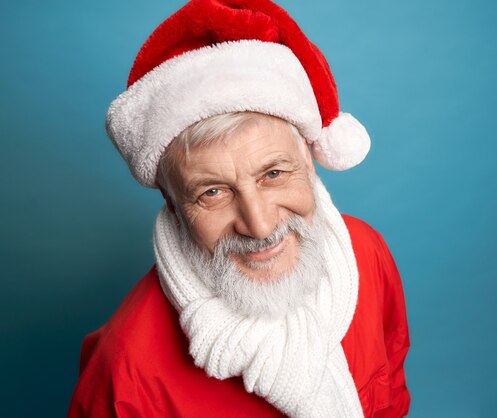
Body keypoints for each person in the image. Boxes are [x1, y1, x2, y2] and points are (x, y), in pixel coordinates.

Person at [68, 0, 411, 416]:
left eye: (273, 174)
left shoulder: (366, 254)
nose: (259, 224)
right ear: (173, 206)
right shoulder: (127, 372)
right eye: (212, 192)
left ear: (308, 158)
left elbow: (391, 391)